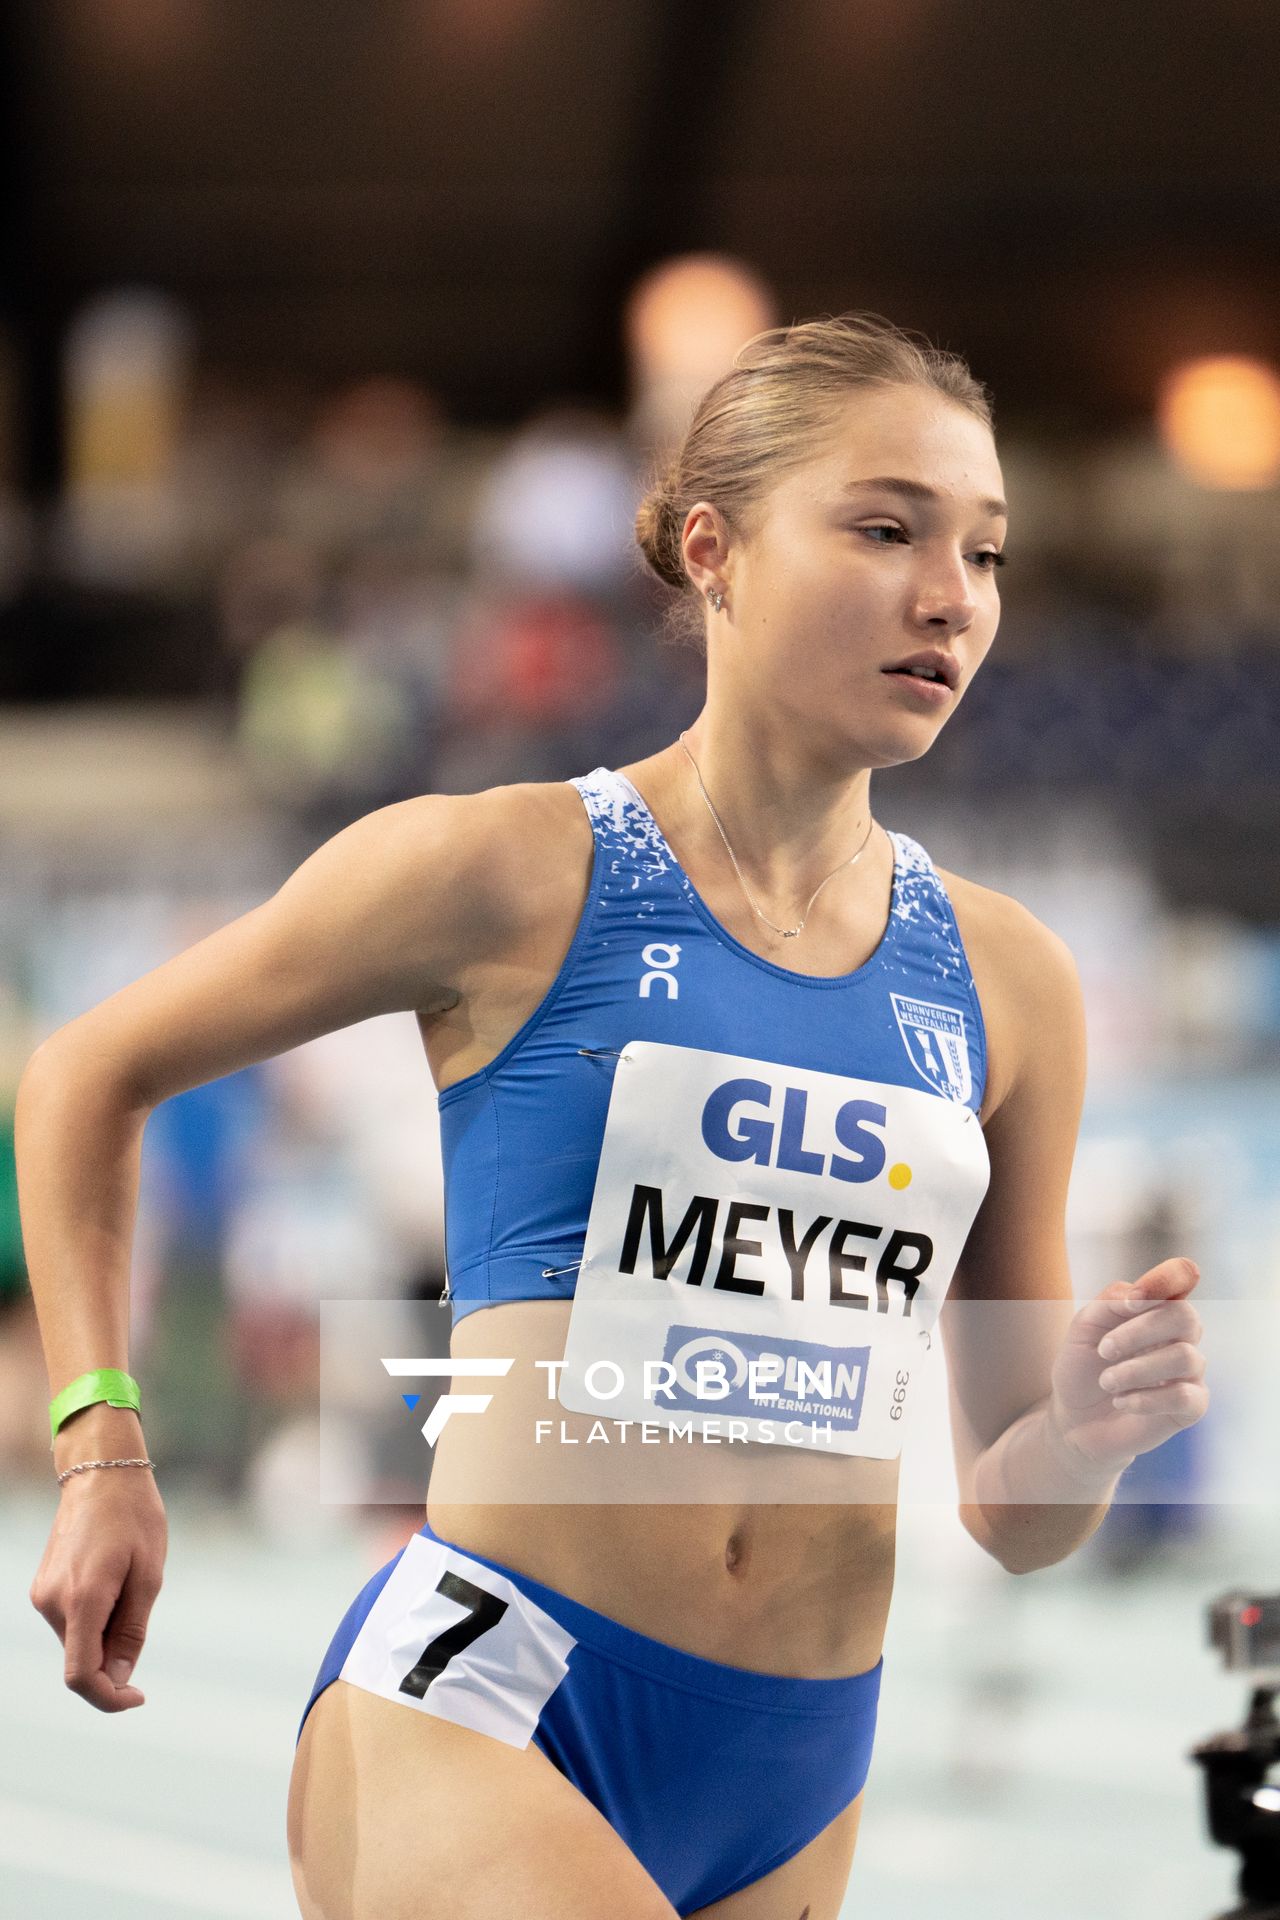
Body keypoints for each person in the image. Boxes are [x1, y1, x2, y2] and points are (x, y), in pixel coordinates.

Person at [19, 313, 1210, 1920]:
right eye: (886, 528)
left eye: (985, 553)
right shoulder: (501, 870)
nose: (952, 596)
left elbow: (1016, 1516)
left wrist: (1080, 1430)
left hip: (797, 1762)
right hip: (499, 1700)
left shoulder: (1011, 982)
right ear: (712, 551)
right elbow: (89, 1068)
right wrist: (101, 1447)